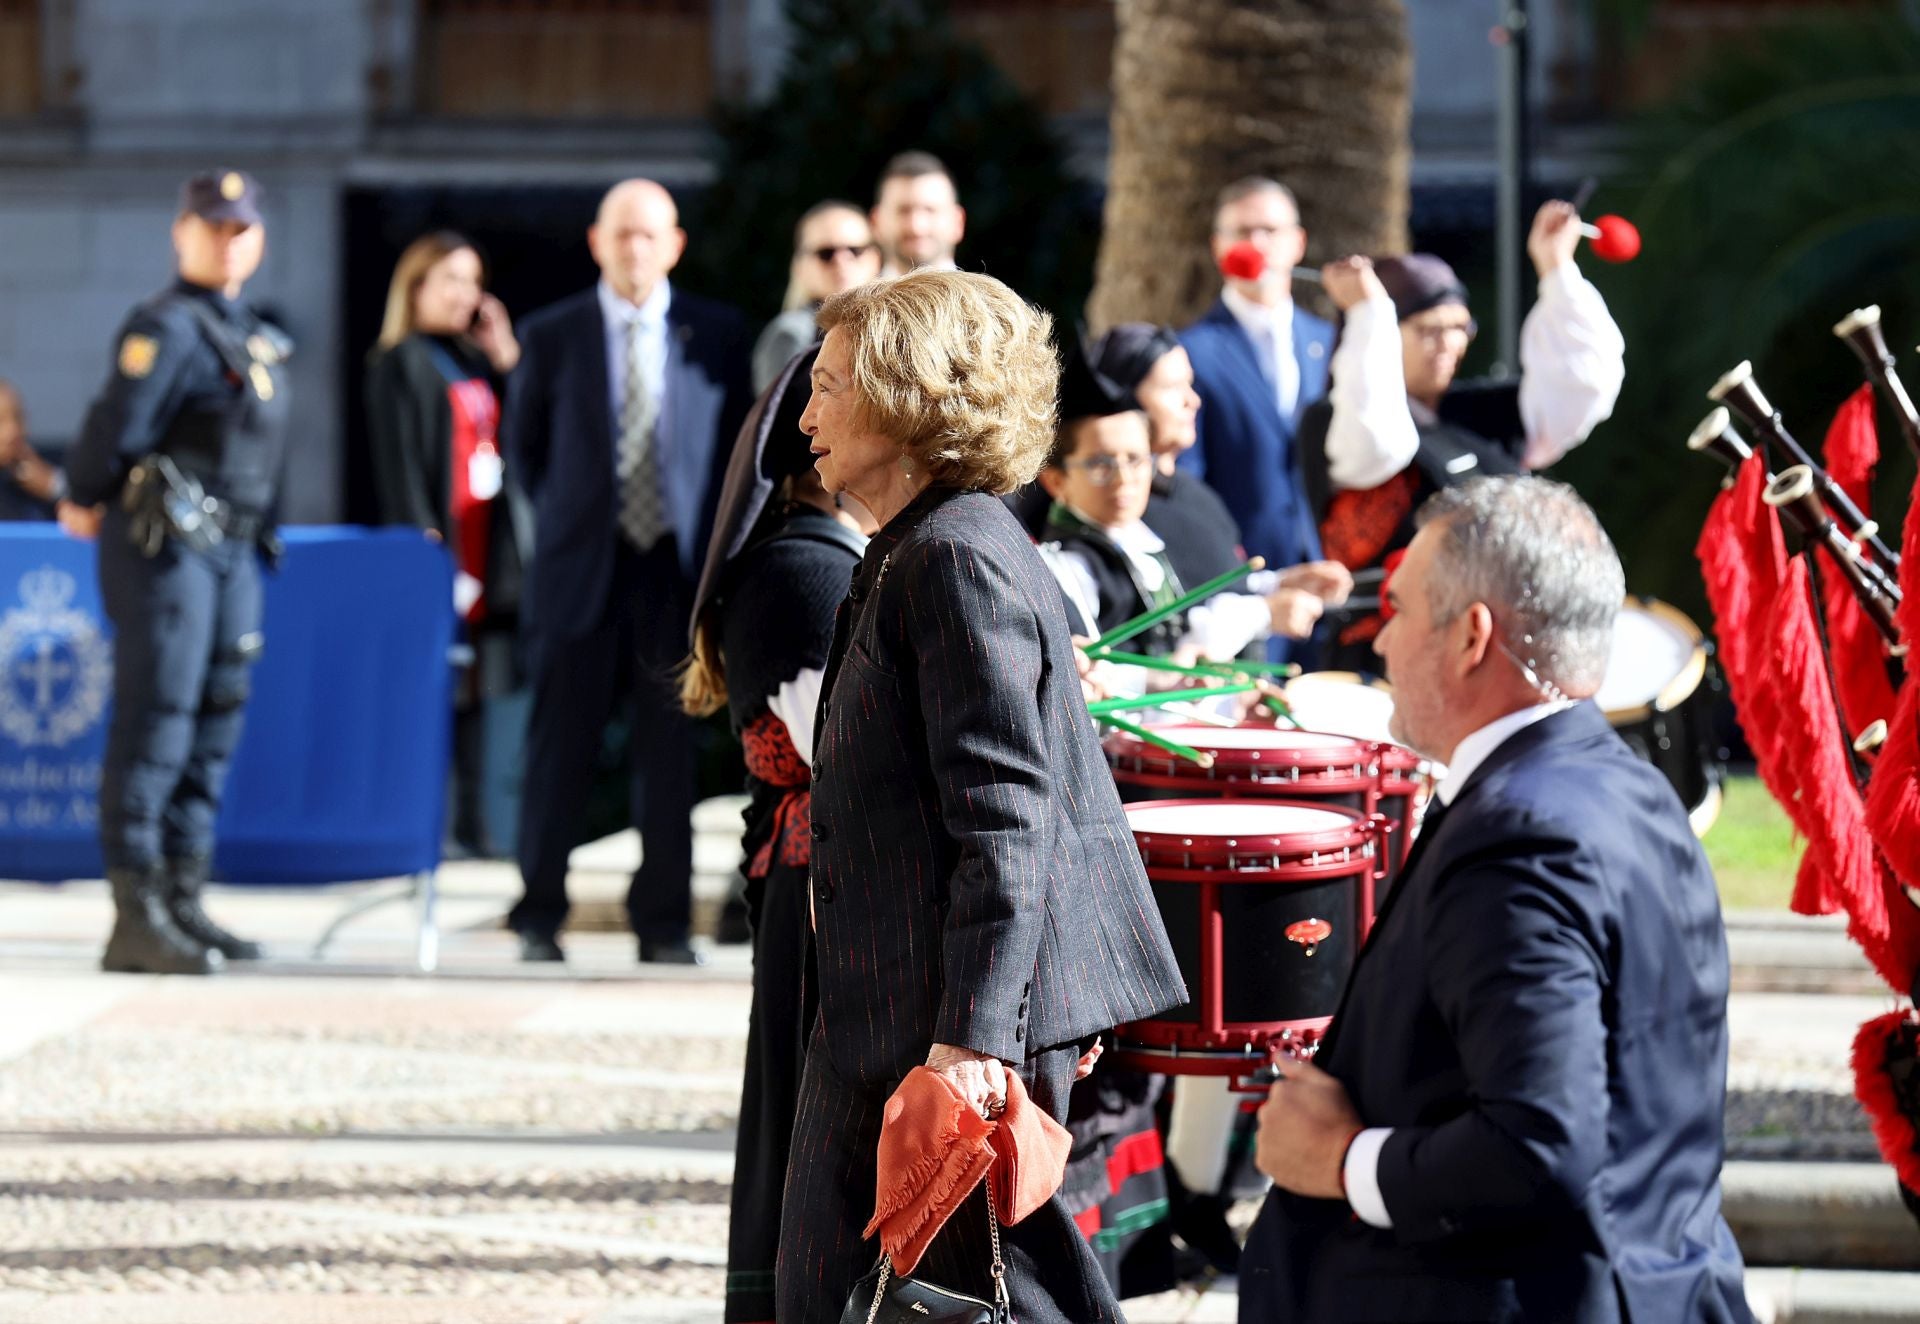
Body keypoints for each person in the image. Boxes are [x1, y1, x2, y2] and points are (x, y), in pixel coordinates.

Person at [1240, 476, 1752, 1322]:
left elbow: (1543, 1141)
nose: (1380, 644)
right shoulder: (1633, 790)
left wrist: (1343, 1162)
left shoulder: (1520, 836)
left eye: (1398, 611)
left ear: (1472, 636)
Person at [774, 271, 1186, 1324]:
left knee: (934, 1299)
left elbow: (1008, 820)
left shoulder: (955, 556)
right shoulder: (925, 543)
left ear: (907, 395)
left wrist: (975, 1044)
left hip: (932, 1034)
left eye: (827, 386)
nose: (806, 414)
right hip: (901, 1019)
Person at [503, 178, 752, 965]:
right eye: (621, 234)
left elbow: (732, 455)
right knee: (558, 751)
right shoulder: (551, 335)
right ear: (596, 243)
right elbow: (525, 454)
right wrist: (566, 523)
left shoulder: (715, 333)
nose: (635, 248)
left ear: (675, 244)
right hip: (581, 567)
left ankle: (665, 924)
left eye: (649, 234)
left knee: (668, 756)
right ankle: (539, 914)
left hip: (673, 574)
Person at [681, 345, 875, 1324]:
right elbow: (840, 752)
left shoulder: (821, 559)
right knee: (817, 1144)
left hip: (823, 890)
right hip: (822, 902)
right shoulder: (804, 572)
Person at [59, 170, 292, 976]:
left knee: (212, 723)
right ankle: (136, 913)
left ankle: (182, 898)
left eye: (241, 229)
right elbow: (115, 424)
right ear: (181, 232)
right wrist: (83, 492)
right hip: (167, 548)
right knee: (157, 723)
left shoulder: (245, 328)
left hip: (230, 551)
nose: (228, 241)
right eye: (212, 227)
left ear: (257, 240)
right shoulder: (165, 326)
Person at [1298, 200, 1625, 670]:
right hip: (1388, 661)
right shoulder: (1333, 422)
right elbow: (1379, 444)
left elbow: (1583, 388)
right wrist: (1369, 313)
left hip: (1501, 653)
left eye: (1459, 328)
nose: (1449, 345)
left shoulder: (1482, 412)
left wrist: (1555, 269)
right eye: (1429, 330)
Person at [364, 230, 526, 857]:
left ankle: (470, 827)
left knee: (476, 690)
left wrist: (506, 356)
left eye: (473, 280)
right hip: (442, 548)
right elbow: (398, 462)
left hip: (487, 545)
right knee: (435, 689)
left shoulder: (472, 359)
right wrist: (423, 542)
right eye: (451, 280)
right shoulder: (398, 361)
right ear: (416, 288)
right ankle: (425, 828)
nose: (467, 293)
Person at [1036, 343, 1348, 658]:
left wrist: (1277, 584)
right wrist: (1262, 613)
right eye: (1101, 466)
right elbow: (1098, 673)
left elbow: (1203, 596)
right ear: (1055, 480)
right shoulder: (1067, 566)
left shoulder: (1144, 529)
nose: (1124, 479)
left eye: (1136, 460)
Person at [1176, 176, 1335, 640]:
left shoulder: (1329, 342)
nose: (1258, 243)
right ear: (1219, 247)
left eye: (1271, 230)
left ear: (1298, 242)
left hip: (1326, 589)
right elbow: (1189, 480)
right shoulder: (1193, 351)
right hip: (1242, 597)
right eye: (1243, 233)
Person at [750, 201, 881, 394]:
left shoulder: (893, 326)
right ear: (800, 267)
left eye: (855, 250)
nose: (841, 261)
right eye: (826, 254)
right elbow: (785, 416)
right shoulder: (789, 334)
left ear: (876, 258)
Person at [869, 150, 966, 277]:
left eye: (930, 210)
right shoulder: (851, 297)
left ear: (958, 222)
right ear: (876, 222)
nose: (916, 227)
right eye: (903, 211)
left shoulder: (990, 297)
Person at [0, 381, 67, 519]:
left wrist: (52, 486)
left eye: (18, 417)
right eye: (1, 420)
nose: (13, 430)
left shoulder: (46, 468)